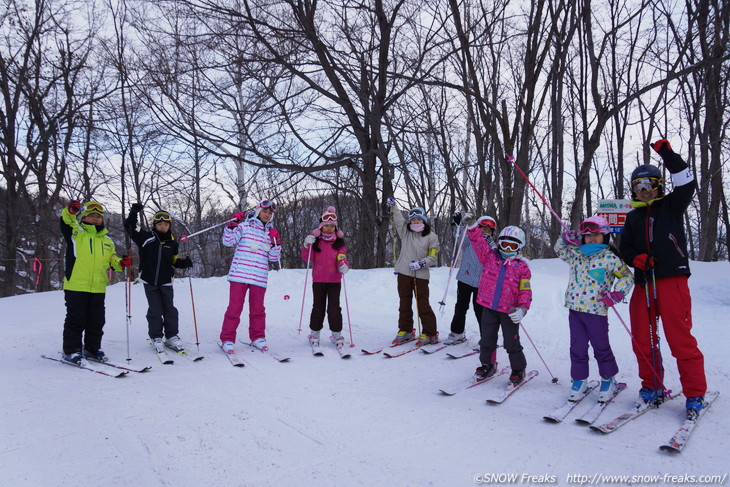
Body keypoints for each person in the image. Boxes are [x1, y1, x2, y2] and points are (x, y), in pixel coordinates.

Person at [620, 139, 707, 420]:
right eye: (638, 187)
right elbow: (626, 249)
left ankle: (694, 392)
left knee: (679, 337)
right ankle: (652, 385)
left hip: (671, 279)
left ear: (658, 186)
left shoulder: (671, 205)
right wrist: (636, 259)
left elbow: (686, 182)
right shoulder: (632, 217)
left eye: (648, 185)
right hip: (644, 282)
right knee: (642, 339)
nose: (643, 191)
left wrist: (668, 155)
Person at [556, 216, 633, 403]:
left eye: (596, 235)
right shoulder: (576, 253)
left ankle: (608, 379)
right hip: (575, 309)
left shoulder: (609, 258)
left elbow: (627, 277)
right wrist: (564, 239)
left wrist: (617, 294)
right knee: (577, 347)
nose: (591, 239)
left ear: (605, 237)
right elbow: (559, 250)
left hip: (597, 311)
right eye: (587, 235)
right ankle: (579, 380)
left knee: (601, 347)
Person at [464, 214, 532, 385]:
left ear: (520, 246)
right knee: (487, 339)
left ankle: (518, 368)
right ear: (499, 243)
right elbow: (478, 243)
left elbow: (525, 290)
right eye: (504, 244)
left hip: (509, 311)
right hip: (488, 307)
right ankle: (488, 364)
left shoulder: (522, 267)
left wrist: (523, 308)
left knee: (511, 342)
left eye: (512, 245)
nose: (507, 248)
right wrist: (473, 227)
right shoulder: (489, 257)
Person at [60, 200, 130, 363]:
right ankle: (71, 350)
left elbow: (112, 260)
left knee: (97, 321)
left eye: (99, 216)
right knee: (76, 319)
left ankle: (92, 348)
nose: (95, 219)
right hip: (76, 285)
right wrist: (71, 211)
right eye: (91, 215)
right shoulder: (76, 233)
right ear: (83, 217)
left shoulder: (107, 241)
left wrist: (120, 263)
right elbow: (66, 220)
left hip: (98, 287)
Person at [124, 205, 193, 354]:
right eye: (160, 224)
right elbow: (129, 226)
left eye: (166, 224)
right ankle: (156, 337)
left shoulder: (172, 243)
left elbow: (173, 261)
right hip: (150, 281)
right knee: (155, 310)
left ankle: (171, 336)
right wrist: (134, 212)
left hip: (166, 281)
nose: (163, 227)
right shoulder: (145, 237)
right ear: (155, 225)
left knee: (170, 310)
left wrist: (184, 263)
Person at [219, 200, 282, 353]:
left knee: (258, 310)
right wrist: (232, 224)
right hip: (239, 275)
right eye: (264, 211)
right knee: (234, 309)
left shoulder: (270, 233)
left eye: (270, 213)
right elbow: (228, 241)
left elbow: (274, 258)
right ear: (258, 211)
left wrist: (276, 242)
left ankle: (258, 337)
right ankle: (227, 339)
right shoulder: (244, 226)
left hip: (259, 277)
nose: (267, 215)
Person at [387, 197, 440, 346]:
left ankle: (430, 332)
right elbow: (398, 219)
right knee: (404, 302)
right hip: (404, 273)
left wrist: (422, 263)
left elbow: (433, 257)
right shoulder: (405, 232)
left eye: (419, 219)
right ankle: (406, 330)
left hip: (421, 275)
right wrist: (394, 207)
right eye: (413, 220)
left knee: (422, 303)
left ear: (424, 220)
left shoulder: (432, 237)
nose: (416, 222)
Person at [301, 206, 350, 349]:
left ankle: (336, 334)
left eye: (332, 226)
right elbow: (306, 257)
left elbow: (342, 257)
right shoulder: (316, 242)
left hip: (334, 281)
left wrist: (343, 264)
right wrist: (306, 245)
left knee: (334, 308)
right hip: (318, 281)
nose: (329, 229)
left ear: (336, 228)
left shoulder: (339, 243)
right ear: (320, 227)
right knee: (318, 308)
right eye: (326, 226)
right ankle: (314, 334)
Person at [445, 214, 498, 346]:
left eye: (488, 229)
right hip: (465, 278)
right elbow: (459, 237)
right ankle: (457, 333)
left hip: (482, 283)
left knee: (480, 310)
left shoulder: (492, 246)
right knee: (461, 307)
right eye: (482, 228)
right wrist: (457, 225)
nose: (485, 231)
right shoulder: (468, 240)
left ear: (492, 232)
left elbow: (496, 260)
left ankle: (485, 338)